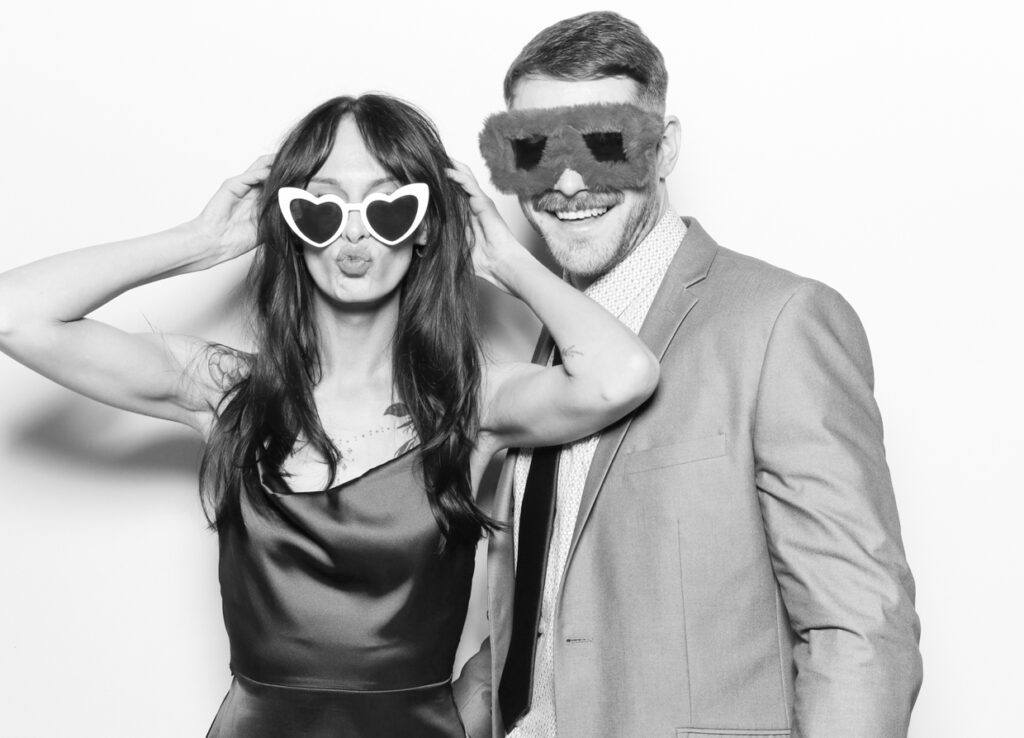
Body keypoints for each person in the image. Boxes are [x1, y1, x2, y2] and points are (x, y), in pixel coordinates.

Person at [0, 93, 660, 737]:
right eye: (321, 206)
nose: (353, 233)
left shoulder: (474, 403)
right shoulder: (227, 390)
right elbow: (14, 313)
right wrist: (199, 242)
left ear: (425, 223)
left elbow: (622, 375)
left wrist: (501, 259)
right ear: (289, 220)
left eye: (388, 206)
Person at [454, 11, 923, 738]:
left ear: (664, 149)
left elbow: (858, 629)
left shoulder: (779, 323)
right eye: (536, 150)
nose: (569, 182)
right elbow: (551, 605)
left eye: (607, 144)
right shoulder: (549, 352)